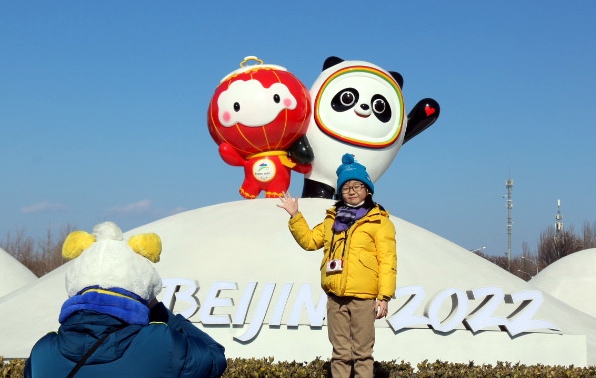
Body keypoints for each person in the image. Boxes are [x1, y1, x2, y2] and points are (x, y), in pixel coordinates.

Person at [24, 221, 227, 378]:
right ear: (140, 288)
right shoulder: (161, 345)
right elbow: (214, 356)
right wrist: (157, 309)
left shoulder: (42, 353)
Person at [277, 153, 397, 378]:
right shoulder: (333, 218)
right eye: (346, 187)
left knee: (362, 353)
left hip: (364, 297)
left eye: (357, 186)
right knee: (340, 352)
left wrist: (384, 296)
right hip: (335, 296)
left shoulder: (379, 221)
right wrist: (295, 216)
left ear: (367, 189)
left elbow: (388, 261)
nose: (351, 191)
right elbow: (310, 241)